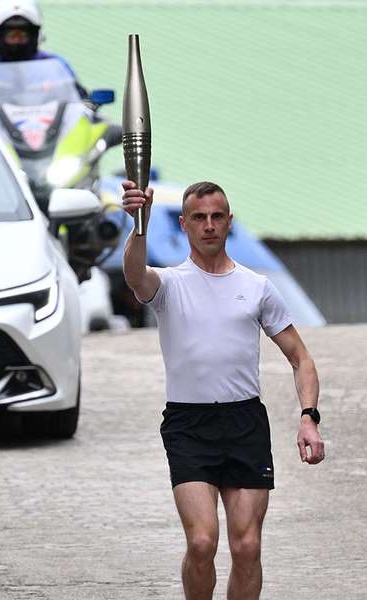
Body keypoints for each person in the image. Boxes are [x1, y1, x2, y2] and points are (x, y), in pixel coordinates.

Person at [121, 180, 325, 599]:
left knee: (247, 547)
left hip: (244, 422)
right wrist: (139, 224)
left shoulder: (256, 287)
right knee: (201, 543)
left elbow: (300, 358)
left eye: (217, 217)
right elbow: (134, 275)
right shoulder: (169, 286)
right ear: (184, 224)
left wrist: (309, 418)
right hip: (189, 424)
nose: (209, 225)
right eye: (199, 218)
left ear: (229, 222)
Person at [0, 0, 86, 103]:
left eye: (23, 34)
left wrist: (88, 106)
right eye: (11, 35)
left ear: (35, 34)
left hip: (50, 130)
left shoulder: (55, 64)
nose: (17, 40)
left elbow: (80, 99)